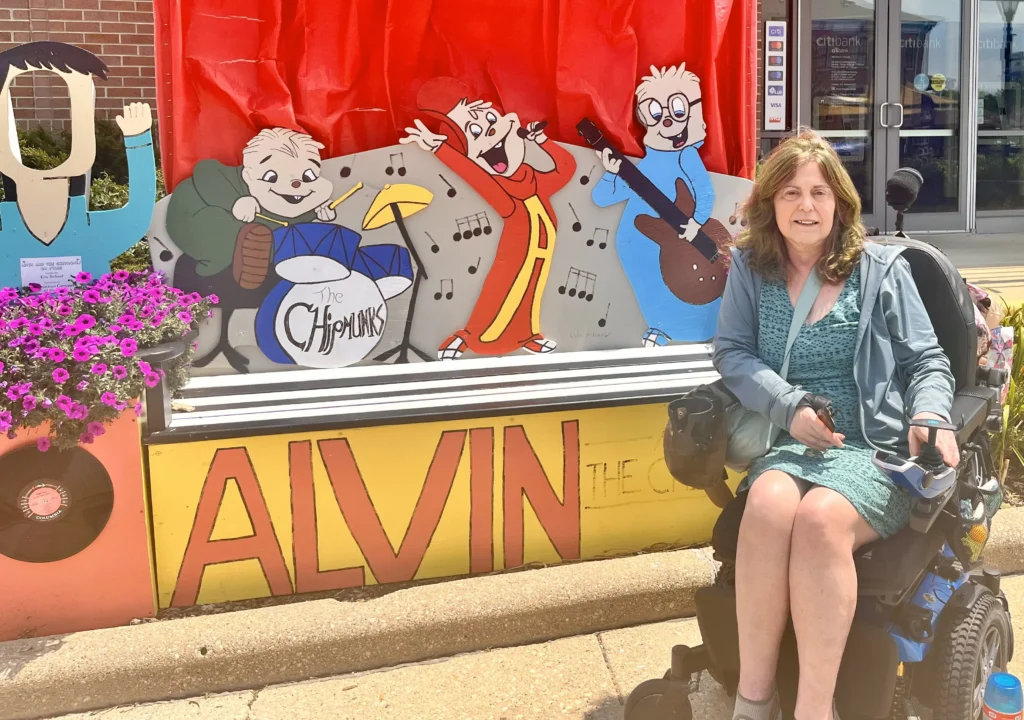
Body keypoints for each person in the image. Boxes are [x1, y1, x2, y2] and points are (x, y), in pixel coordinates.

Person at [711, 129, 959, 720]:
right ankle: (755, 698)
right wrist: (789, 407)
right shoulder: (751, 267)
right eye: (792, 192)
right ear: (770, 201)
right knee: (768, 505)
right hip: (789, 437)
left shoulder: (880, 271)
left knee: (821, 519)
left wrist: (931, 413)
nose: (806, 206)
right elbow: (732, 353)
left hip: (872, 445)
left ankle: (814, 710)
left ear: (840, 203)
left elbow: (926, 359)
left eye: (819, 192)